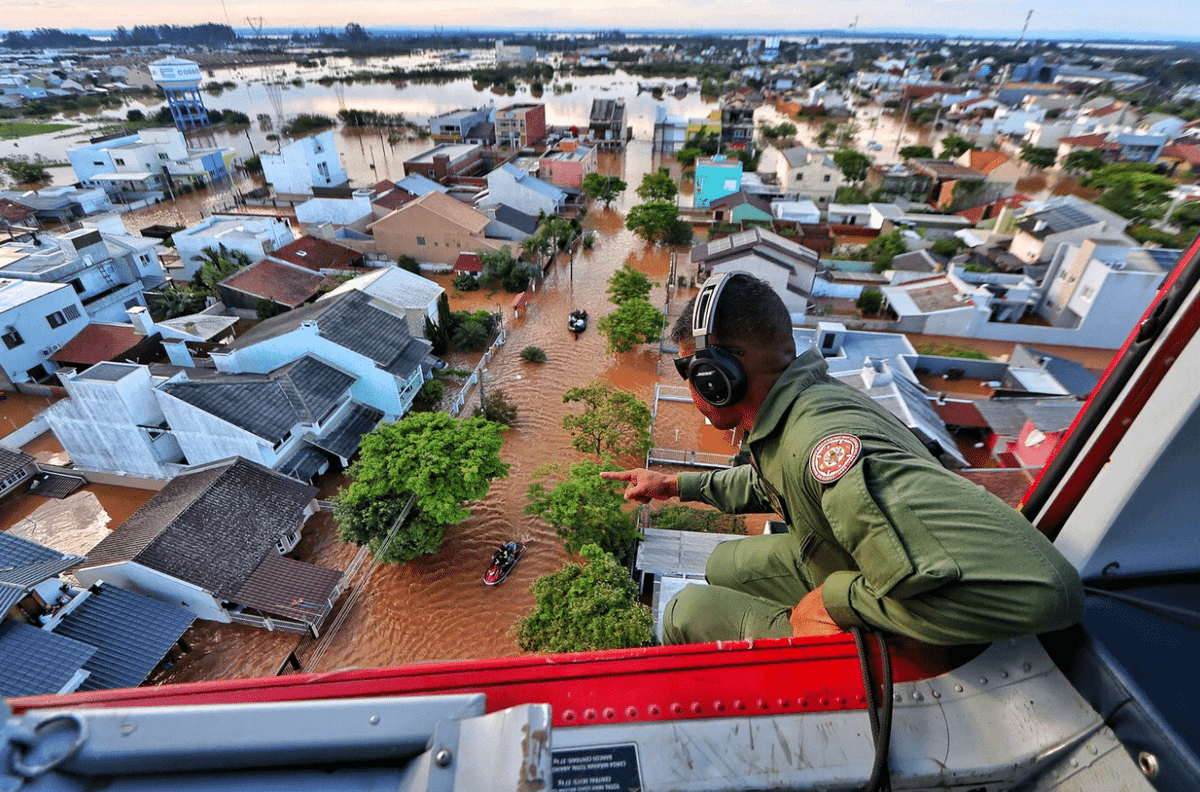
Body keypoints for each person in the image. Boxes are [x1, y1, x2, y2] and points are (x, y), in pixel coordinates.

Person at [602, 272, 1084, 647]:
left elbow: (1048, 591)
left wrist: (835, 602)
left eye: (689, 369)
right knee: (725, 562)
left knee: (683, 612)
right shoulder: (793, 410)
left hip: (882, 592)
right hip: (841, 557)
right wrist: (673, 485)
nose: (689, 383)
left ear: (717, 376)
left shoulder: (821, 445)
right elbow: (773, 479)